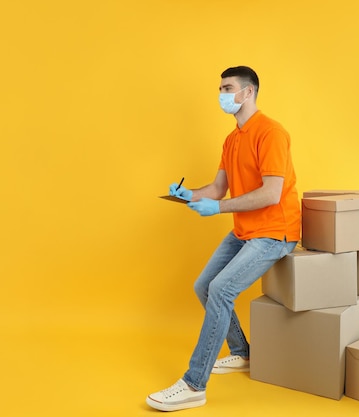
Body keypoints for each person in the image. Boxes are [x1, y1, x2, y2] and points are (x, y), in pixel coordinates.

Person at [146, 66, 301, 412]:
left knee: (221, 289)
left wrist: (217, 208)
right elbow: (217, 189)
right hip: (246, 230)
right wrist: (187, 195)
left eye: (227, 88)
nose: (221, 94)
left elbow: (272, 193)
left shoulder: (272, 132)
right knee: (204, 285)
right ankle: (243, 353)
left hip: (276, 232)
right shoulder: (232, 140)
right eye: (220, 88)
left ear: (248, 92)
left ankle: (193, 384)